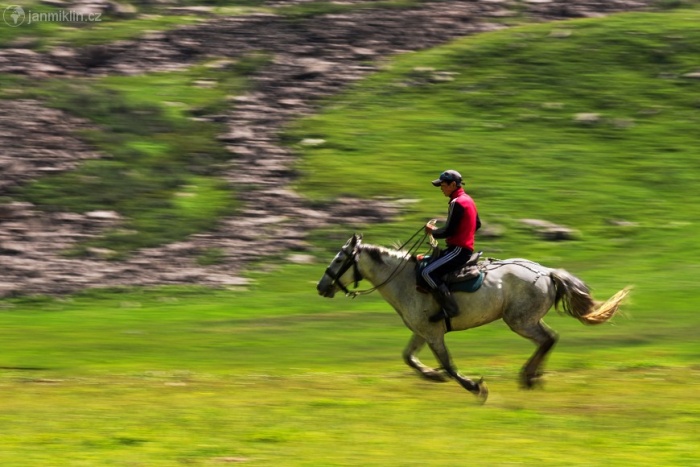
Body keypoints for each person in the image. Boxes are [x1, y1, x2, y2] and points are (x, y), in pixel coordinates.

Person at [422, 169, 481, 322]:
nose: (441, 188)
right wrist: (465, 234)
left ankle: (450, 308)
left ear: (453, 184)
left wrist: (432, 231)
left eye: (443, 185)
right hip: (463, 248)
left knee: (427, 273)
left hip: (458, 251)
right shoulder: (468, 199)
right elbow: (478, 224)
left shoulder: (457, 202)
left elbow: (448, 231)